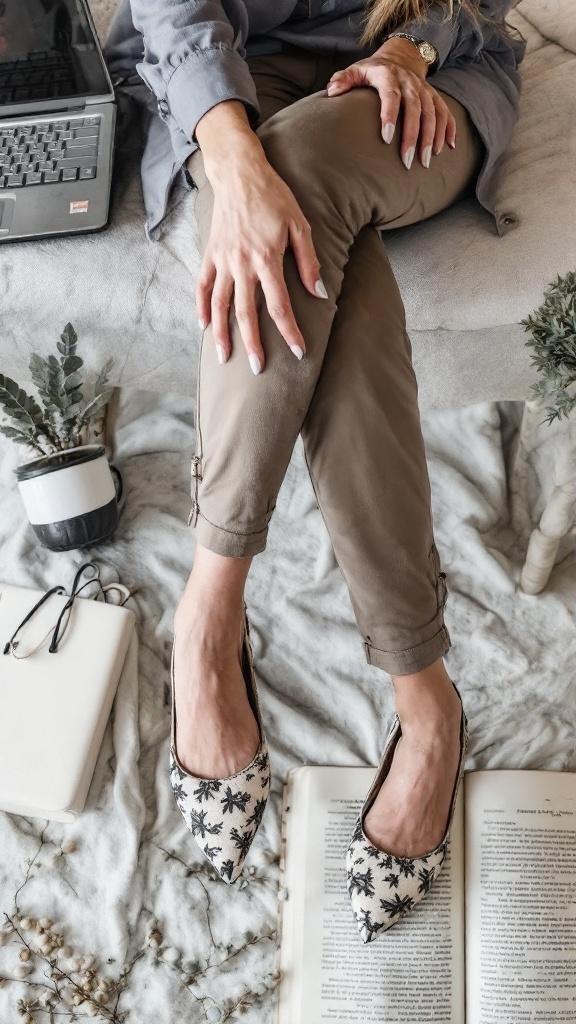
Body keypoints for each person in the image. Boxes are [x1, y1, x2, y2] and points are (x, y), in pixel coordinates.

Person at [104, 0, 526, 940]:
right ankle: (425, 697)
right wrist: (232, 155)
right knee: (317, 247)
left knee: (306, 169)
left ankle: (207, 617)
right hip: (223, 75)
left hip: (428, 71)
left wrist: (413, 50)